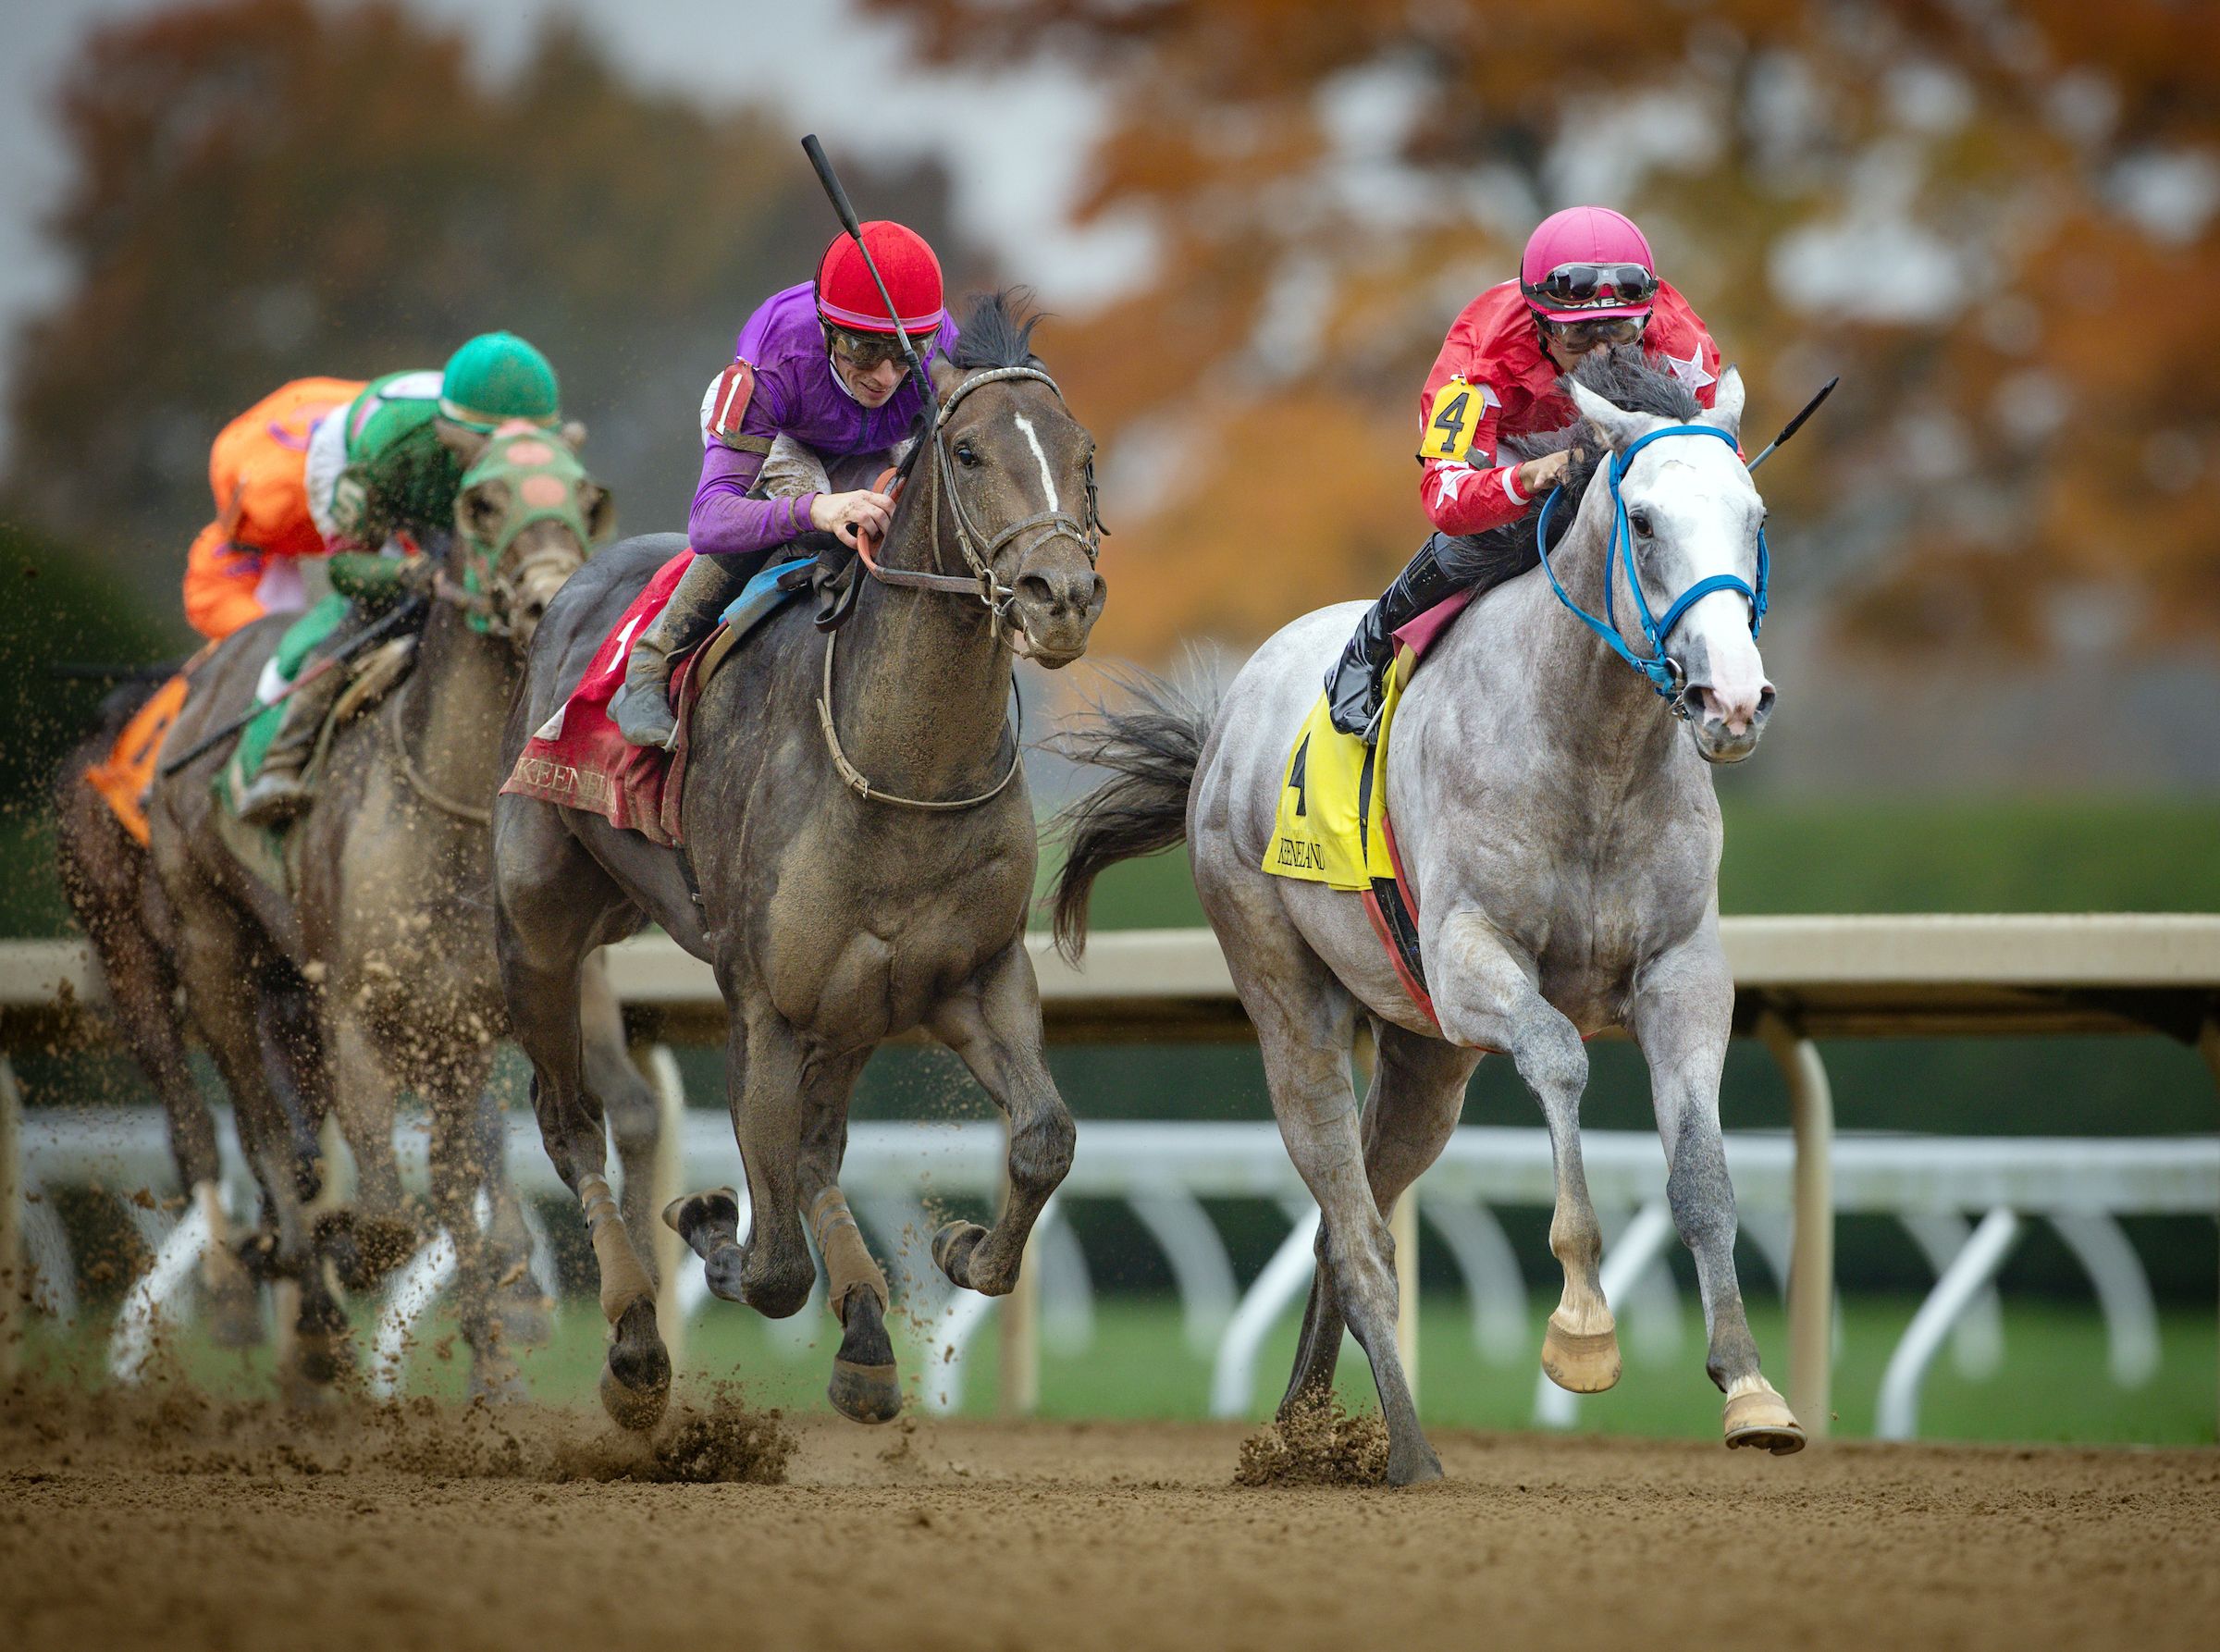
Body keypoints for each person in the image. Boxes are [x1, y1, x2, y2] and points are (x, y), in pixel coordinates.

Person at [1323, 204, 1728, 736]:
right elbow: (1444, 500)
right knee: (1514, 524)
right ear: (1538, 320)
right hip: (1515, 446)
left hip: (1627, 433)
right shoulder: (1476, 368)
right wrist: (1529, 476)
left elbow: (1715, 462)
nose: (1602, 355)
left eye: (1619, 332)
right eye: (1579, 338)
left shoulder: (1682, 347)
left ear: (1646, 316)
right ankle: (1371, 642)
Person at [610, 220, 956, 749]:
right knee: (823, 528)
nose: (885, 377)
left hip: (882, 436)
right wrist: (815, 509)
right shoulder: (775, 357)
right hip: (784, 432)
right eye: (864, 350)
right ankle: (651, 664)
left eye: (905, 352)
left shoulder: (942, 348)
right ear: (826, 330)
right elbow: (708, 522)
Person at [230, 331, 565, 825]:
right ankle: (282, 759)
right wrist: (407, 572)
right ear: (459, 440)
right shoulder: (394, 453)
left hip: (436, 467)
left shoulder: (528, 447)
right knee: (380, 609)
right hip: (352, 455)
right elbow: (347, 569)